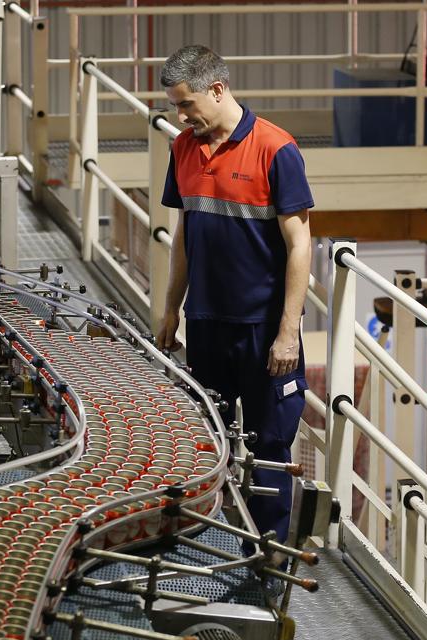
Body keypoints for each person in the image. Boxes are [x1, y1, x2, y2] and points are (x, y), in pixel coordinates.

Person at [155, 45, 313, 545]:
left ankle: (265, 557)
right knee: (208, 438)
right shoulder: (183, 148)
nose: (181, 116)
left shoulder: (275, 149)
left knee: (269, 446)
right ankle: (207, 545)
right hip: (207, 324)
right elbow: (184, 235)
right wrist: (169, 309)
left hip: (264, 331)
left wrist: (288, 332)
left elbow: (299, 244)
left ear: (218, 90)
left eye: (186, 105)